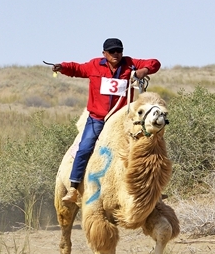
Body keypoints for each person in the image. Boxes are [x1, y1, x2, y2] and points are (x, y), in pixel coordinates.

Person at [52, 38, 161, 204]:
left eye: (119, 51)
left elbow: (155, 63)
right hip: (97, 119)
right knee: (85, 147)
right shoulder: (95, 65)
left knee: (145, 147)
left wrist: (144, 70)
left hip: (122, 119)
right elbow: (77, 69)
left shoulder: (130, 63)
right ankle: (74, 188)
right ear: (104, 53)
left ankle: (151, 192)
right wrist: (63, 67)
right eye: (112, 52)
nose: (116, 54)